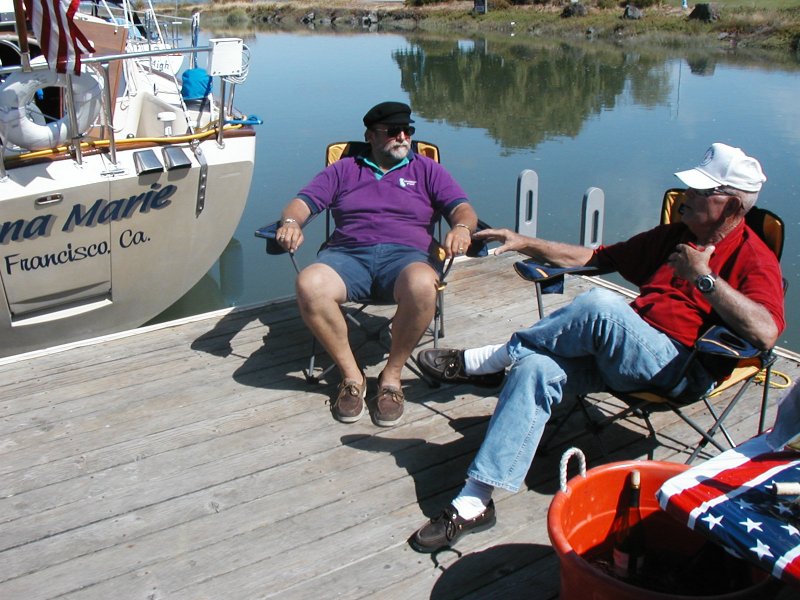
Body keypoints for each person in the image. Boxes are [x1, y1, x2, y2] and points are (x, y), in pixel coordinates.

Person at [409, 142, 786, 552]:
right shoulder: (676, 235)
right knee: (535, 367)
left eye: (699, 192)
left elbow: (766, 333)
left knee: (600, 304)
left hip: (679, 367)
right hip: (624, 353)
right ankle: (474, 501)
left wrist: (704, 279)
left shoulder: (754, 257)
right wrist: (524, 241)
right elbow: (597, 256)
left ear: (731, 207)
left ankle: (488, 359)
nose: (686, 197)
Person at [275, 101, 479, 428]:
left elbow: (462, 209)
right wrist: (290, 222)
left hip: (407, 257)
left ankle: (392, 377)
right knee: (309, 285)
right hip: (347, 256)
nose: (402, 137)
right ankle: (352, 378)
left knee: (424, 285)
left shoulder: (427, 170)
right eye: (392, 132)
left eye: (407, 131)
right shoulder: (344, 169)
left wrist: (462, 228)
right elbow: (303, 203)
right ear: (370, 136)